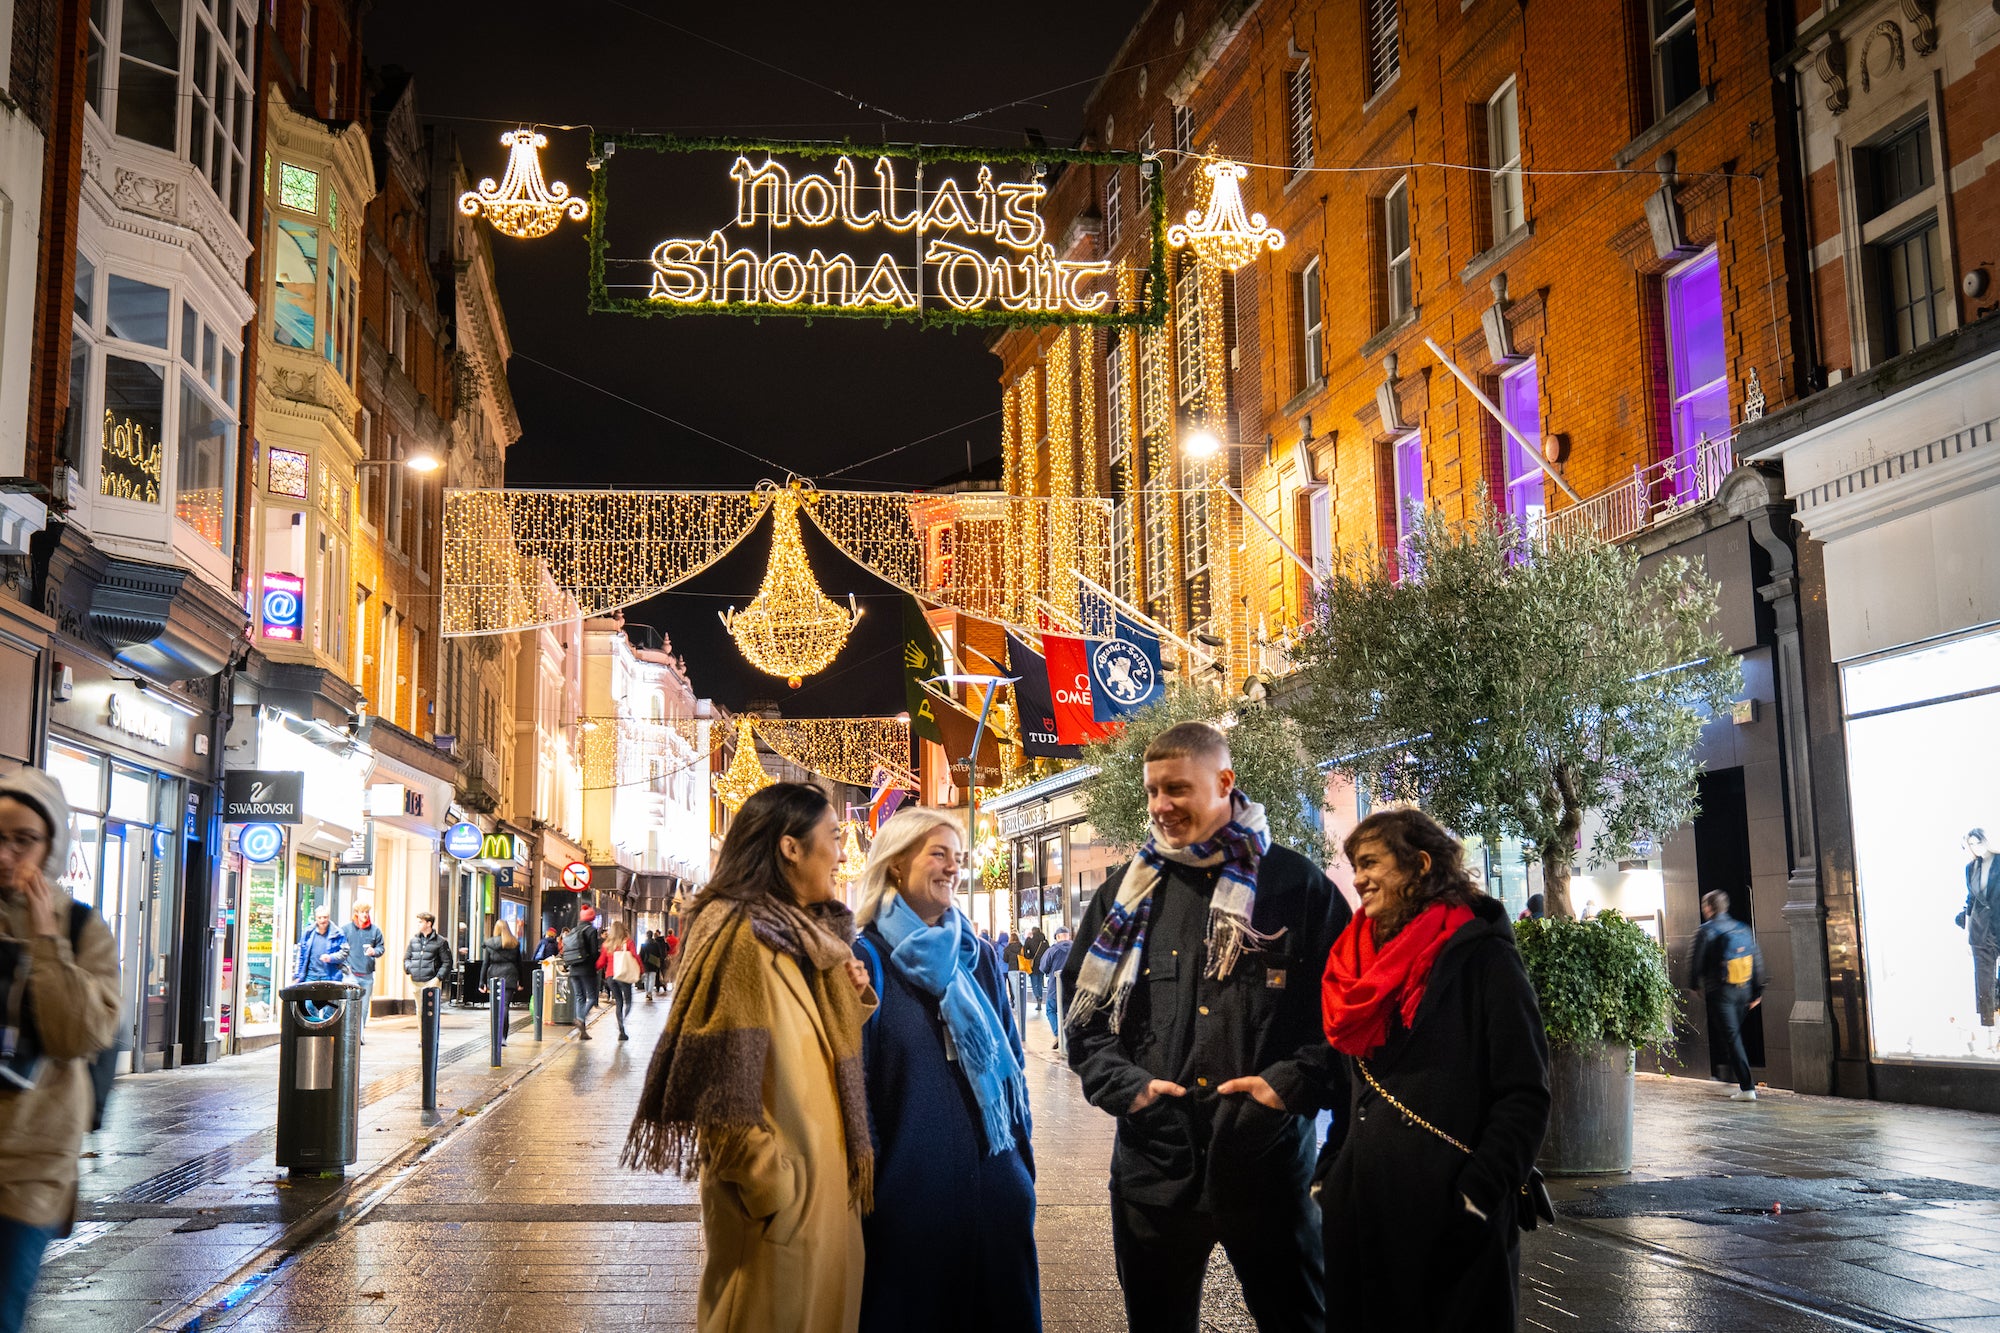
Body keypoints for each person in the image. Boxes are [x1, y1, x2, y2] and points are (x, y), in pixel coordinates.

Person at [1062, 721, 1349, 1333]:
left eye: (1177, 790)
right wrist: (1130, 1089)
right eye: (1152, 792)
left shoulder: (1297, 889)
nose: (1161, 807)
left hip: (1267, 1170)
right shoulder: (1124, 895)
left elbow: (1344, 1019)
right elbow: (1083, 1027)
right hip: (1155, 1170)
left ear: (1224, 783)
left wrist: (1289, 1085)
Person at [623, 782, 874, 1333]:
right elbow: (721, 1089)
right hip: (780, 1223)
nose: (841, 852)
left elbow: (799, 1051)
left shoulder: (802, 939)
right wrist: (776, 1191)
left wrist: (847, 998)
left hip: (818, 1211)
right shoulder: (737, 936)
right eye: (833, 837)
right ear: (790, 847)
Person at [1319, 808, 1551, 1332]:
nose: (1358, 879)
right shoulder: (1354, 961)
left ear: (1420, 865)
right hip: (1362, 1208)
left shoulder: (1483, 955)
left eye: (1371, 863)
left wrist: (1476, 1196)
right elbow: (1350, 1085)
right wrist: (1330, 1173)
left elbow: (1525, 1092)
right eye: (1354, 865)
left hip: (1449, 1218)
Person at [851, 808, 1039, 1331]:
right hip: (910, 1206)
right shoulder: (865, 959)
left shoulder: (977, 956)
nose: (952, 868)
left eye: (958, 858)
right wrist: (872, 1195)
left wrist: (1020, 1173)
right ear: (894, 865)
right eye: (938, 854)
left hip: (996, 1195)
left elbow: (1013, 1068)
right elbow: (856, 1086)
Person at [0, 768, 120, 1333]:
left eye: (23, 839)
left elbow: (76, 1035)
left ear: (53, 845)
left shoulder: (80, 928)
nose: (6, 854)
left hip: (31, 1159)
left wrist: (45, 938)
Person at [1691, 890, 1766, 1100]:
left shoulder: (1706, 931)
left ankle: (1747, 1087)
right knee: (1732, 1036)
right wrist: (1757, 992)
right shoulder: (1742, 928)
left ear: (1708, 908)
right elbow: (1757, 960)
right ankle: (1731, 1075)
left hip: (1721, 992)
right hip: (1744, 990)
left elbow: (1695, 961)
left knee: (1732, 1038)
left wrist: (1694, 984)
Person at [1958, 829, 2000, 1044]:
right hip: (1980, 929)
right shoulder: (1970, 868)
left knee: (1994, 979)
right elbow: (1971, 901)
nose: (1975, 847)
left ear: (1985, 840)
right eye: (1970, 844)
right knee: (1983, 981)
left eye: (1977, 842)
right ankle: (1989, 1033)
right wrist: (1967, 934)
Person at [294, 906, 348, 1020]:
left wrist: (331, 957)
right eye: (320, 917)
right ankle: (314, 1029)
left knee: (330, 1007)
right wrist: (298, 975)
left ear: (329, 917)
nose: (322, 920)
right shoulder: (308, 933)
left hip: (330, 975)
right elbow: (302, 955)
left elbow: (345, 952)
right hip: (311, 975)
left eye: (325, 917)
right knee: (308, 1005)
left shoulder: (338, 933)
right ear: (316, 918)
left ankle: (327, 1030)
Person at [345, 900, 385, 1044]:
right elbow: (340, 949)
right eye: (363, 912)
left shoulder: (375, 931)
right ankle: (351, 1035)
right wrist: (345, 966)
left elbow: (381, 948)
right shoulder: (346, 930)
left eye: (367, 912)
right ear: (356, 913)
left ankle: (359, 1035)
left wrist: (375, 951)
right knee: (350, 1005)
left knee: (364, 1008)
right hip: (351, 975)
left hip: (367, 976)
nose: (365, 915)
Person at [599, 919, 641, 1040]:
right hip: (623, 975)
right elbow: (635, 956)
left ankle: (621, 1030)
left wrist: (593, 968)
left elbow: (601, 962)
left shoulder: (606, 944)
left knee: (618, 1002)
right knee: (628, 1002)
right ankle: (624, 1021)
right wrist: (641, 970)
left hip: (610, 977)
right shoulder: (627, 942)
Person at [565, 905, 603, 1040]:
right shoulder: (591, 930)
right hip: (587, 969)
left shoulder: (574, 930)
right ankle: (580, 1019)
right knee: (592, 997)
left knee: (579, 997)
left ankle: (583, 1032)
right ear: (591, 917)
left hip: (573, 968)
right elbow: (593, 953)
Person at [483, 922, 522, 1045]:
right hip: (510, 976)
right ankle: (503, 1037)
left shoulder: (490, 943)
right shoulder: (514, 943)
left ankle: (495, 1034)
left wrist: (481, 982)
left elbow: (485, 963)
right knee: (505, 1006)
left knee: (495, 1006)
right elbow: (519, 964)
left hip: (494, 976)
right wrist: (521, 981)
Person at [1038, 928, 1073, 1048]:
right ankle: (1070, 1037)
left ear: (1057, 937)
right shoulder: (1077, 948)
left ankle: (1059, 1034)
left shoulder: (1052, 950)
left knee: (1051, 1010)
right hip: (1073, 988)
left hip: (1055, 988)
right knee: (1069, 1012)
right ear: (1068, 936)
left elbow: (1043, 968)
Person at [403, 912, 450, 990]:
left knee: (430, 1002)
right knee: (418, 1002)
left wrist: (438, 978)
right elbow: (406, 958)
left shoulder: (440, 941)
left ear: (429, 924)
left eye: (420, 922)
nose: (418, 924)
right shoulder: (413, 941)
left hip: (431, 981)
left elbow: (447, 962)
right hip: (415, 981)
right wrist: (410, 969)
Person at [1023, 925, 1049, 1004]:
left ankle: (1037, 997)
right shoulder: (1044, 942)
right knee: (1040, 982)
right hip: (1042, 964)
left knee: (1034, 982)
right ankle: (1040, 997)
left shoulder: (1030, 940)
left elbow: (1025, 951)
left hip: (1033, 965)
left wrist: (1029, 957)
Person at [639, 930, 666, 1001]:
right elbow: (659, 954)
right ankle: (650, 993)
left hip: (645, 964)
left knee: (646, 979)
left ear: (646, 936)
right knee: (652, 978)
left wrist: (641, 963)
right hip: (654, 963)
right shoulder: (656, 944)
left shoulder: (643, 945)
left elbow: (641, 955)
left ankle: (647, 993)